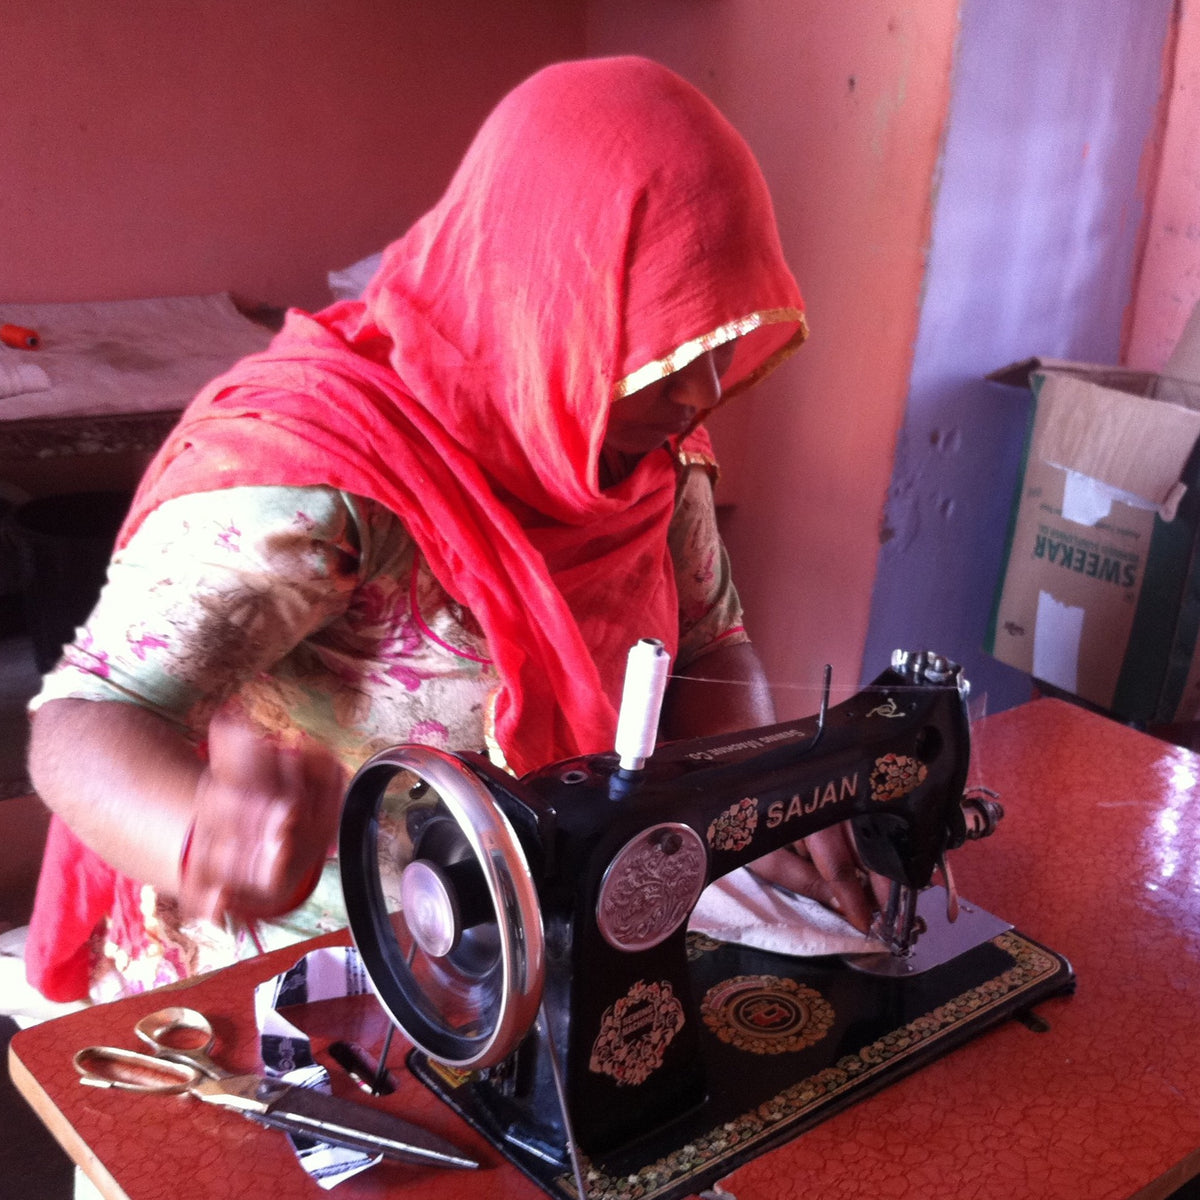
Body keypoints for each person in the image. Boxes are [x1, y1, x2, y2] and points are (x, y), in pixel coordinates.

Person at [24, 55, 875, 1004]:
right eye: (658, 348)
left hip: (511, 953)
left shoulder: (647, 455)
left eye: (712, 343)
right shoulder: (324, 479)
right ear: (545, 295)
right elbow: (79, 724)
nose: (701, 391)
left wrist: (754, 797)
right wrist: (200, 832)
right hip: (289, 977)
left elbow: (714, 646)